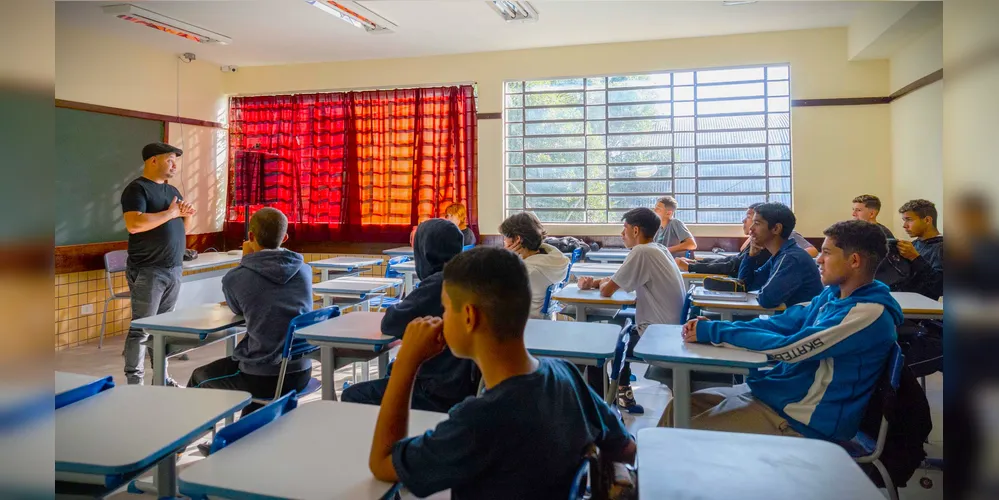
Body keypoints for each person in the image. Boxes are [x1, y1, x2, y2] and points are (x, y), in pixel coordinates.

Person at [368, 247, 636, 499]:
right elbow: (626, 448)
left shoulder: (478, 421)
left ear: (469, 317)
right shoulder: (565, 374)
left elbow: (382, 462)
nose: (443, 317)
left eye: (447, 308)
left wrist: (406, 362)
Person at [662, 220, 902, 440]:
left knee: (680, 438)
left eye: (827, 253)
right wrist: (716, 328)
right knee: (678, 408)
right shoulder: (832, 295)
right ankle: (633, 482)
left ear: (855, 261)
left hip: (802, 419)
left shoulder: (867, 313)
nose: (818, 259)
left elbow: (790, 348)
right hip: (776, 395)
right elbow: (780, 323)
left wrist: (715, 333)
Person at [342, 219, 477, 412]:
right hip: (460, 384)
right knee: (393, 368)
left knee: (352, 395)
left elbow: (391, 324)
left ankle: (386, 440)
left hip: (436, 391)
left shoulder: (439, 284)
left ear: (424, 252)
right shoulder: (467, 277)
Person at [186, 208, 312, 415]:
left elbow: (237, 309)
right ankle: (243, 438)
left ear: (250, 236)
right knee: (251, 391)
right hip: (301, 371)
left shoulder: (236, 277)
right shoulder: (304, 270)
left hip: (263, 377)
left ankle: (184, 443)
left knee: (199, 376)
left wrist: (245, 260)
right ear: (286, 237)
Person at [577, 207, 685, 414]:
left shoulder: (642, 251)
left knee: (594, 345)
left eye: (624, 228)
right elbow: (616, 282)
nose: (622, 233)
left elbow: (608, 290)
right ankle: (621, 394)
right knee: (617, 329)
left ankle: (599, 410)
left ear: (635, 230)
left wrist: (599, 285)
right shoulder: (658, 249)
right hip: (668, 329)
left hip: (657, 335)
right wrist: (595, 283)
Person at [120, 142, 196, 386]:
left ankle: (161, 378)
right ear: (153, 160)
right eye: (170, 160)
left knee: (162, 329)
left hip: (173, 268)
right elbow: (134, 224)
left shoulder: (173, 191)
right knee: (141, 329)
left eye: (176, 161)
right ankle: (135, 382)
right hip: (148, 270)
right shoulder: (137, 189)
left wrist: (186, 215)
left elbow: (182, 229)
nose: (175, 165)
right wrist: (171, 213)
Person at [739, 203, 823, 309]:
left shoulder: (790, 258)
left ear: (776, 228)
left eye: (757, 223)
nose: (751, 228)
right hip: (787, 320)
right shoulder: (780, 255)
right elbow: (746, 285)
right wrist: (750, 256)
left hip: (797, 323)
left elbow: (767, 299)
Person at [499, 212, 570, 318]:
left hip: (523, 324)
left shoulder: (528, 271)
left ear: (517, 239)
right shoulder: (553, 260)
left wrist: (503, 260)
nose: (504, 241)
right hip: (545, 320)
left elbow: (495, 294)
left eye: (505, 237)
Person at [676, 203, 770, 276]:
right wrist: (696, 262)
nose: (743, 220)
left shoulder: (762, 246)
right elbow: (732, 260)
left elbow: (730, 267)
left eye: (749, 217)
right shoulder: (754, 243)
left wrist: (691, 267)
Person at [893, 199, 943, 300]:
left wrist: (915, 258)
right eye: (904, 220)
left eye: (909, 219)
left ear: (927, 220)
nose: (904, 225)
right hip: (902, 303)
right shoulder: (914, 245)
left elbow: (940, 287)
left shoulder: (942, 247)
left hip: (922, 311)